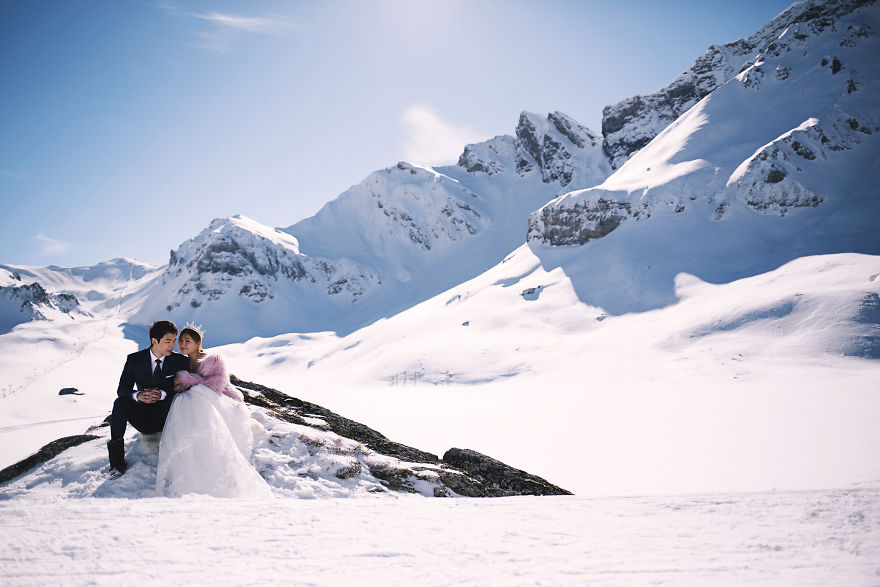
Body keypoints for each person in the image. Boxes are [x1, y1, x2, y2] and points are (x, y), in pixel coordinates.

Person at [155, 323, 272, 498]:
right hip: (204, 401)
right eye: (180, 341)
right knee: (185, 398)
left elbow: (217, 385)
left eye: (187, 341)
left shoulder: (213, 359)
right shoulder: (184, 361)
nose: (182, 345)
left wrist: (189, 379)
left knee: (194, 394)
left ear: (198, 343)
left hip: (223, 400)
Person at [108, 320, 190, 474]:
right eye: (167, 341)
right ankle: (116, 464)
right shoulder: (134, 360)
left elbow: (187, 389)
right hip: (144, 418)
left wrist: (163, 394)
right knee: (120, 403)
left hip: (169, 418)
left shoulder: (180, 361)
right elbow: (122, 389)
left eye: (173, 341)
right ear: (154, 341)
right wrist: (138, 395)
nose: (172, 345)